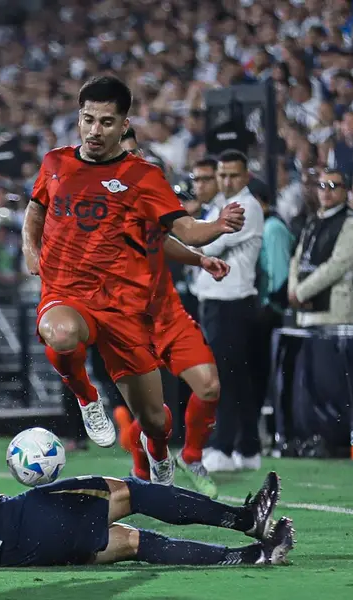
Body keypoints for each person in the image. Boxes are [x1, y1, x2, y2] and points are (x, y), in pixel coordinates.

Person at [20, 75, 245, 479]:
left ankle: (158, 453)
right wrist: (30, 248)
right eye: (88, 119)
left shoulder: (143, 176)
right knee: (60, 332)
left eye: (106, 122)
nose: (95, 130)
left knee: (156, 420)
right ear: (79, 118)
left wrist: (218, 226)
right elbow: (35, 208)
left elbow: (184, 229)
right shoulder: (55, 162)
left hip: (125, 310)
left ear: (124, 124)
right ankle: (88, 399)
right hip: (67, 294)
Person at [0, 387, 294, 570]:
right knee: (126, 492)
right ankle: (245, 522)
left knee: (123, 542)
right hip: (13, 524)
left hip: (5, 550)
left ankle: (251, 554)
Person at [113, 129, 228, 498]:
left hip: (167, 313)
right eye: (125, 154)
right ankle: (140, 468)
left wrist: (200, 258)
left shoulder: (148, 192)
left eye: (136, 152)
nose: (134, 160)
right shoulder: (97, 205)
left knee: (209, 386)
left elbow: (162, 240)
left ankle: (192, 455)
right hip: (126, 321)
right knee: (154, 417)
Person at [192, 150, 266, 474]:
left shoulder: (245, 207)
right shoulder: (222, 208)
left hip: (231, 302)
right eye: (222, 174)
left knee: (225, 379)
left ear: (246, 176)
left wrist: (200, 233)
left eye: (233, 175)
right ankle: (248, 447)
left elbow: (208, 246)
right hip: (220, 301)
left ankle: (222, 446)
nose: (226, 181)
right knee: (238, 379)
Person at [288, 169, 353, 327]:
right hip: (305, 315)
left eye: (333, 186)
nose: (326, 191)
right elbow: (297, 259)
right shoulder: (312, 222)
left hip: (334, 317)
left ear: (346, 191)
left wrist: (300, 292)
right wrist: (293, 290)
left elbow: (337, 266)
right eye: (322, 186)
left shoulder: (351, 224)